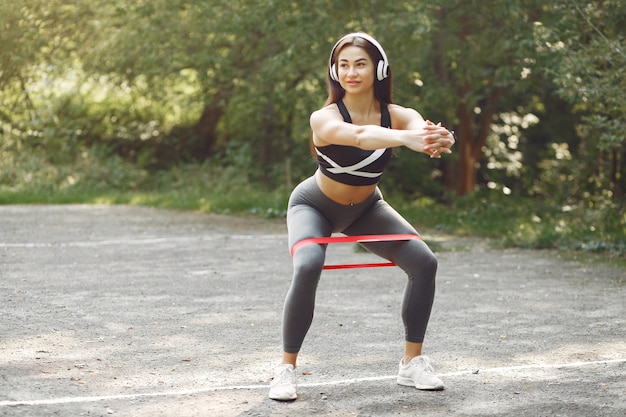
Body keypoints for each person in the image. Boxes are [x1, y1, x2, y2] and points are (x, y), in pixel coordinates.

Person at [268, 32, 455, 401]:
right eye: (344, 65)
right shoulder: (323, 117)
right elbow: (360, 136)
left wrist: (438, 138)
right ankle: (285, 369)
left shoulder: (398, 114)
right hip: (315, 205)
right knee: (307, 267)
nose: (351, 72)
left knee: (424, 263)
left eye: (361, 63)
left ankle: (411, 364)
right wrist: (404, 139)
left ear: (379, 69)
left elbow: (421, 130)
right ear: (334, 72)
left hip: (367, 209)